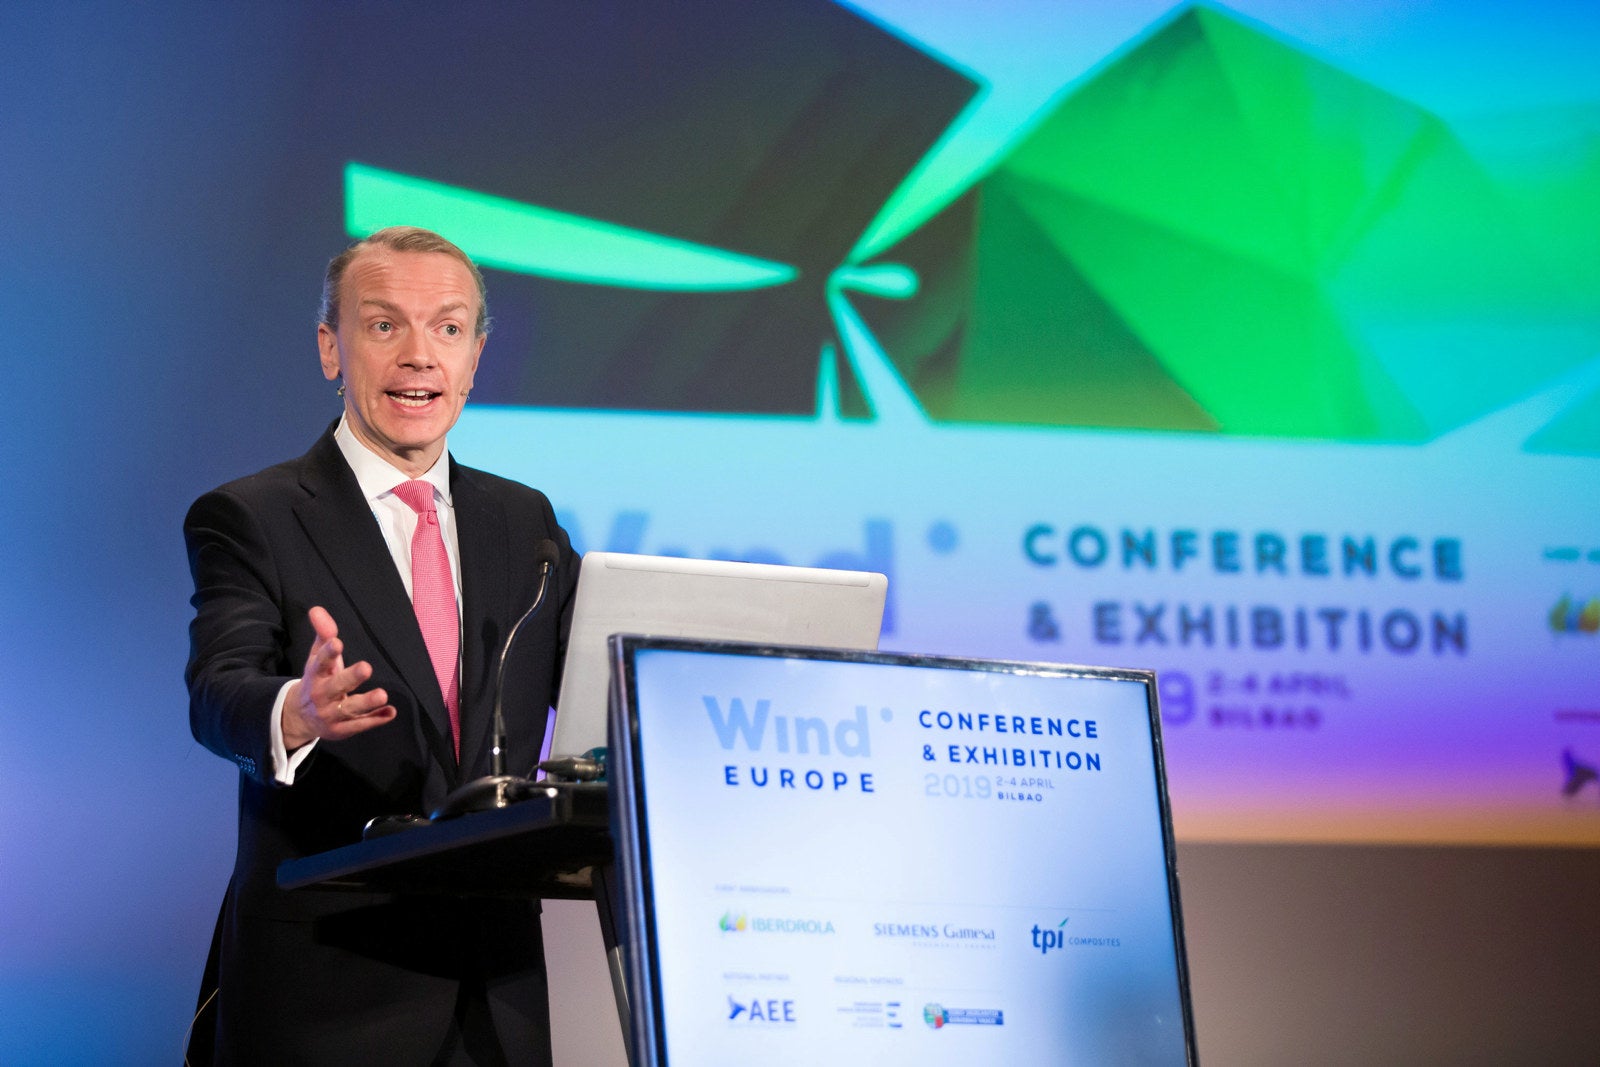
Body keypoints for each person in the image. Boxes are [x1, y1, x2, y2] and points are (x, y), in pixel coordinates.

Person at [184, 227, 577, 1065]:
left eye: (447, 327)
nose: (418, 356)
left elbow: (595, 675)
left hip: (497, 1000)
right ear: (332, 347)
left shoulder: (525, 522)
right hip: (330, 997)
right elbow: (218, 690)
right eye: (384, 324)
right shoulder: (252, 515)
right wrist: (298, 709)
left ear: (474, 357)